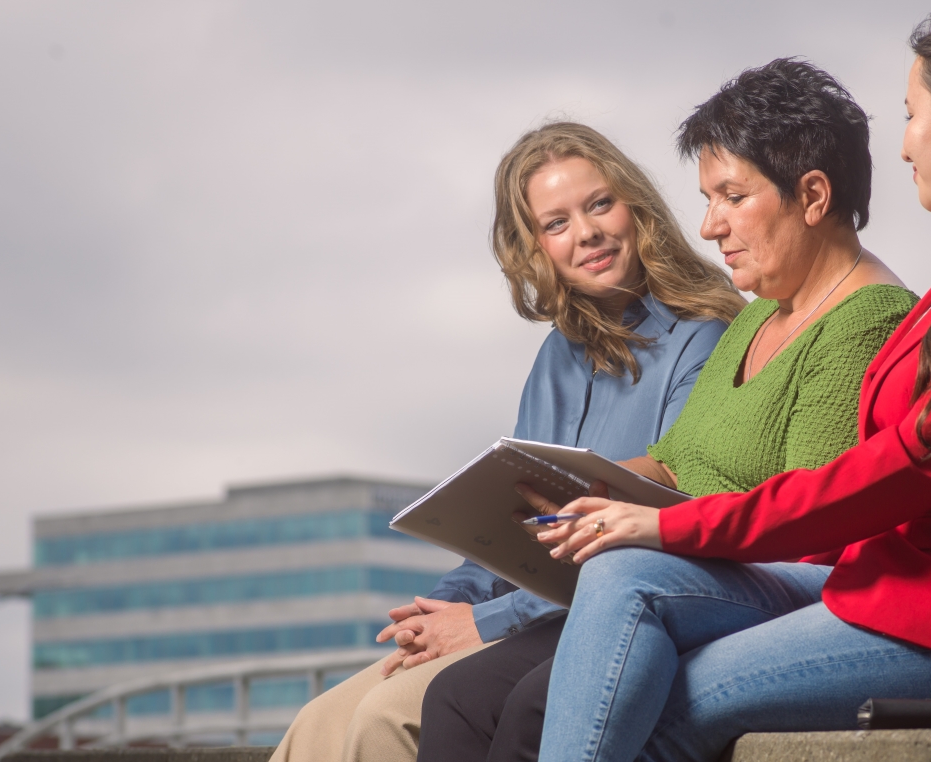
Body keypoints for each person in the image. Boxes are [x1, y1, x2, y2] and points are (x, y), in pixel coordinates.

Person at [525, 7, 931, 762]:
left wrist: (669, 524)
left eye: (911, 115)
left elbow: (910, 461)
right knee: (622, 578)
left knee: (665, 710)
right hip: (893, 594)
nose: (902, 141)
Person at [417, 60, 916, 762]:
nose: (710, 225)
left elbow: (811, 524)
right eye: (709, 198)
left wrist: (652, 525)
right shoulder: (761, 318)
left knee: (538, 698)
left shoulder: (864, 323)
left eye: (731, 196)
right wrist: (581, 488)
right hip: (694, 570)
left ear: (811, 196)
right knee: (459, 698)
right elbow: (679, 458)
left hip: (755, 586)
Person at [267, 121, 744, 762]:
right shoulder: (557, 358)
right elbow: (513, 531)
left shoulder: (704, 336)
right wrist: (442, 609)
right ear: (535, 247)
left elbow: (660, 529)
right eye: (557, 223)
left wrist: (481, 623)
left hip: (611, 614)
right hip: (530, 614)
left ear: (637, 208)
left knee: (385, 718)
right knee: (318, 725)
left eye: (600, 204)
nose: (587, 234)